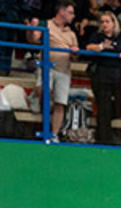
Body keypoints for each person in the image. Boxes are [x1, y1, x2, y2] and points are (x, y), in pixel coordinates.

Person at [85, 10, 121, 145]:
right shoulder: (97, 36)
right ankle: (104, 141)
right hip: (101, 74)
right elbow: (89, 47)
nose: (104, 24)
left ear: (114, 23)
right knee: (104, 107)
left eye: (107, 21)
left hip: (118, 75)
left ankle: (105, 118)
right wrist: (102, 46)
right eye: (102, 22)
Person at [40, 1, 79, 143]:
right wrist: (31, 29)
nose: (73, 16)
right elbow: (32, 40)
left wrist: (74, 52)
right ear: (62, 12)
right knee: (44, 94)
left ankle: (54, 134)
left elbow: (76, 56)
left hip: (64, 71)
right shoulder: (46, 25)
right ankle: (43, 130)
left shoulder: (71, 33)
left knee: (60, 103)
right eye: (71, 13)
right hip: (47, 67)